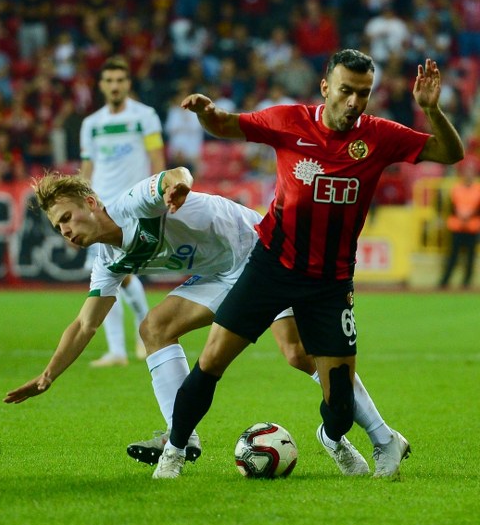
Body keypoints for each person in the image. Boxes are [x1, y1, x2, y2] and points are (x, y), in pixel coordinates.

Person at [151, 50, 464, 480]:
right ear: (325, 88)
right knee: (211, 362)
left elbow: (450, 153)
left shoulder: (380, 135)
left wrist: (432, 110)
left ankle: (332, 437)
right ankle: (174, 450)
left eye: (364, 93)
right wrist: (208, 113)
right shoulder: (288, 121)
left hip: (331, 283)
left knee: (339, 405)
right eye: (346, 91)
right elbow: (226, 124)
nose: (355, 102)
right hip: (271, 267)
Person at [4, 167, 405, 478]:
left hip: (260, 251)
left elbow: (176, 174)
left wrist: (177, 187)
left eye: (68, 218)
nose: (66, 231)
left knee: (298, 353)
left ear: (91, 202)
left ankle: (382, 437)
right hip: (220, 274)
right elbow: (84, 325)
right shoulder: (108, 262)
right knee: (154, 328)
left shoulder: (133, 205)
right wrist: (47, 376)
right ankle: (180, 432)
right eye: (59, 227)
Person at [80, 56, 165, 367]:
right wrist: (82, 207)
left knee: (121, 272)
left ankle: (140, 336)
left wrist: (155, 198)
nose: (115, 86)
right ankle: (117, 350)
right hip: (100, 208)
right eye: (109, 81)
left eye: (120, 80)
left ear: (128, 84)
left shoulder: (145, 117)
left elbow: (157, 158)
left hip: (132, 204)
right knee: (106, 276)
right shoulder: (91, 125)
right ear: (101, 85)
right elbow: (87, 168)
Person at [439, 160, 480, 288]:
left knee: (470, 257)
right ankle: (445, 281)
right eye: (466, 172)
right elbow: (451, 206)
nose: (468, 175)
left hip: (472, 227)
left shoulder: (478, 189)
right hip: (457, 226)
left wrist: (470, 214)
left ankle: (466, 282)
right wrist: (461, 213)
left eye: (471, 172)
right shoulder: (456, 188)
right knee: (452, 255)